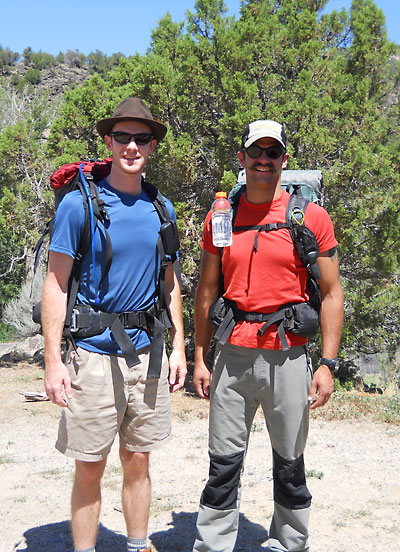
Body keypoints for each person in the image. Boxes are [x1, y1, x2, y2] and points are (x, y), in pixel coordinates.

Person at [42, 97, 187, 552]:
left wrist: (179, 348)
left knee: (139, 458)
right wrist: (52, 360)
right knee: (90, 464)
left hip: (146, 355)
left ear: (153, 146)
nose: (131, 146)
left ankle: (136, 543)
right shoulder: (77, 205)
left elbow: (170, 284)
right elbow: (56, 283)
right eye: (122, 137)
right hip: (93, 354)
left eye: (141, 138)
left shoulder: (162, 209)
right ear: (108, 141)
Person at [192, 119, 344, 552]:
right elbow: (207, 288)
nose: (264, 160)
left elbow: (332, 293)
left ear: (283, 160)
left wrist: (328, 365)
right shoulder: (220, 218)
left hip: (288, 356)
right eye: (255, 152)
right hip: (232, 356)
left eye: (272, 153)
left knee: (290, 463)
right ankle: (213, 545)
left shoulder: (309, 217)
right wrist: (200, 357)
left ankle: (289, 543)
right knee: (222, 463)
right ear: (241, 159)